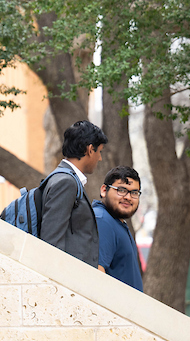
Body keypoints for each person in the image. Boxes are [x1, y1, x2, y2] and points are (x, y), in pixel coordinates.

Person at [38, 120, 106, 267]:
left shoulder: (66, 179)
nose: (99, 158)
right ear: (89, 150)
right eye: (99, 151)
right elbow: (51, 241)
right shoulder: (66, 182)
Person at [93, 166, 143, 290]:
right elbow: (96, 273)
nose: (128, 197)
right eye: (121, 190)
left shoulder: (115, 222)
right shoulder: (102, 220)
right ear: (104, 190)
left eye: (134, 193)